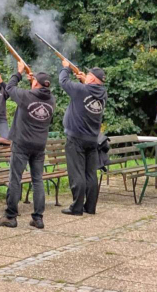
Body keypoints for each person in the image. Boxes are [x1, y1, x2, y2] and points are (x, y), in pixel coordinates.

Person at [0, 61, 56, 229]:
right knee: (38, 181)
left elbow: (10, 87)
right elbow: (37, 95)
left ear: (36, 83)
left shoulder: (27, 96)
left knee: (15, 179)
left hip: (22, 144)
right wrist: (34, 82)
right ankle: (38, 218)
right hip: (39, 146)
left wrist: (19, 72)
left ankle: (10, 216)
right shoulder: (52, 100)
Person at [59, 61, 107, 216]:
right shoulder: (103, 92)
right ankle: (90, 206)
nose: (86, 76)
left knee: (77, 173)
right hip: (93, 139)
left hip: (76, 138)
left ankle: (77, 207)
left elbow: (63, 81)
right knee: (91, 174)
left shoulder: (81, 90)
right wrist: (83, 80)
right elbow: (90, 90)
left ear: (92, 79)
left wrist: (65, 67)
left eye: (89, 75)